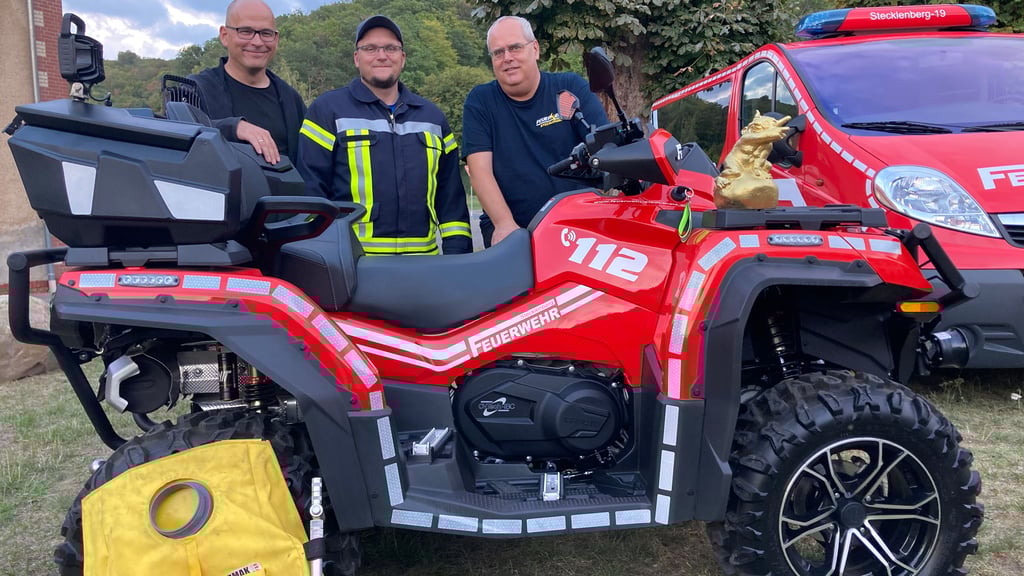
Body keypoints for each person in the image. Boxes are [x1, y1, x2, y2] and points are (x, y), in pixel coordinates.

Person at [296, 16, 472, 255]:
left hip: (425, 271)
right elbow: (310, 192)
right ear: (356, 58)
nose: (381, 55)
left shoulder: (433, 118)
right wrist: (318, 256)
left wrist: (457, 257)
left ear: (403, 58)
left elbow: (451, 199)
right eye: (370, 48)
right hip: (351, 268)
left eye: (391, 48)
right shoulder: (327, 111)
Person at [462, 16, 609, 247]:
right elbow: (480, 170)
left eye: (515, 48)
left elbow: (606, 148)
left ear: (535, 49)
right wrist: (503, 224)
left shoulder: (570, 88)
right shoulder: (480, 102)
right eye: (498, 53)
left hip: (580, 224)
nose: (507, 58)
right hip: (516, 228)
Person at [188, 0, 306, 165]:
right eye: (245, 31)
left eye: (266, 33)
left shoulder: (291, 100)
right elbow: (175, 132)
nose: (257, 42)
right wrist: (234, 128)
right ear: (224, 35)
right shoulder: (195, 89)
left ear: (276, 39)